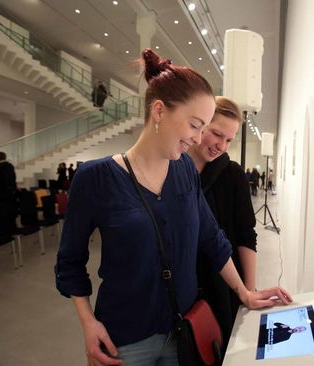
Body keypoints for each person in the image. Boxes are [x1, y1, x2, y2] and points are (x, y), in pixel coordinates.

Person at [55, 48, 292, 366]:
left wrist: (244, 292)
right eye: (195, 125)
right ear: (159, 111)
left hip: (184, 332)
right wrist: (87, 323)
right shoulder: (95, 178)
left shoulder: (183, 172)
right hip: (124, 340)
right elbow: (70, 262)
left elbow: (213, 239)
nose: (198, 139)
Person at [187, 96, 258, 359]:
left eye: (229, 139)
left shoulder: (232, 174)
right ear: (200, 124)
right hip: (183, 283)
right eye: (217, 134)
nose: (221, 145)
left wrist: (247, 291)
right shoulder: (174, 170)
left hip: (224, 282)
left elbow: (245, 234)